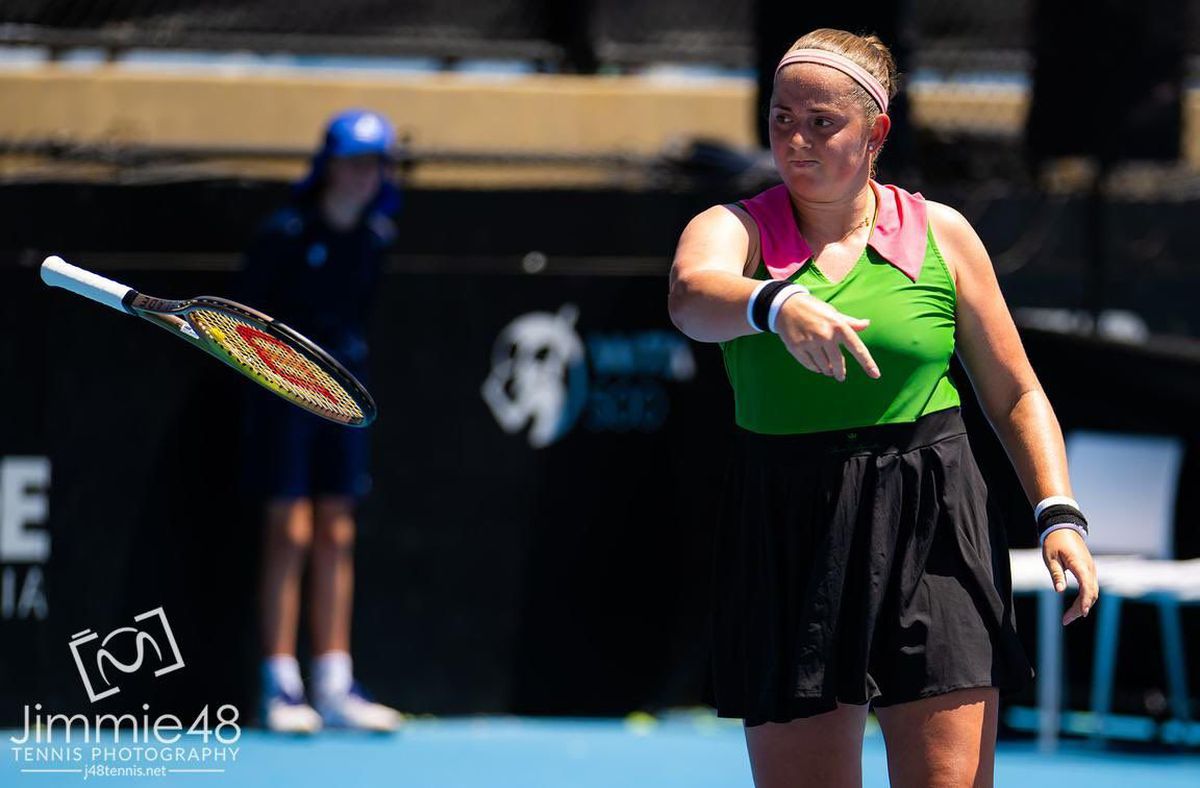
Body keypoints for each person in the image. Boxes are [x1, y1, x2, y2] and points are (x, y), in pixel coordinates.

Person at [668, 29, 1099, 787]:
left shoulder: (944, 234)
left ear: (876, 133)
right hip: (787, 519)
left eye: (822, 122)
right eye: (781, 119)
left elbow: (1017, 391)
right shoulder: (732, 228)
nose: (796, 140)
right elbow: (691, 297)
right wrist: (774, 303)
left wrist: (1057, 512)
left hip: (934, 514)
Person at [242, 109, 403, 734]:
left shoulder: (376, 239)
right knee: (291, 529)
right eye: (355, 161)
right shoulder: (282, 235)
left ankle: (335, 682)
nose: (366, 175)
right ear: (329, 165)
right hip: (279, 394)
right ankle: (279, 683)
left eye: (375, 164)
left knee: (337, 529)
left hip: (344, 392)